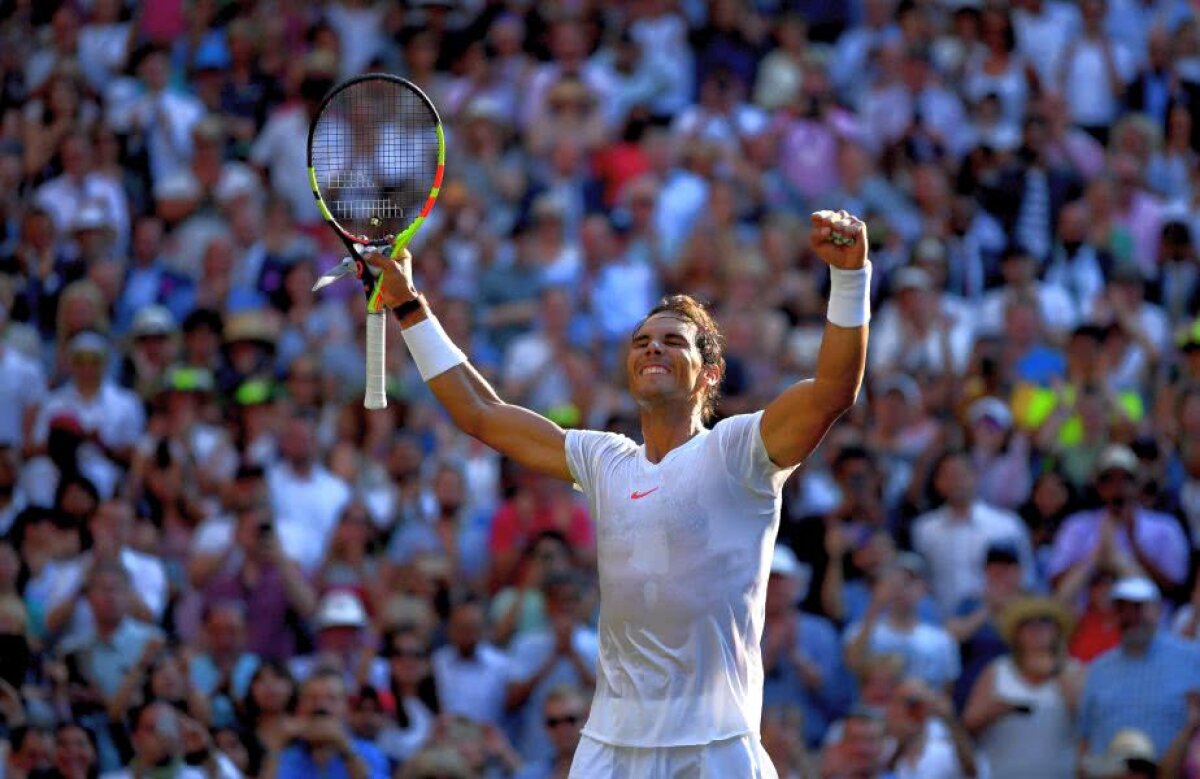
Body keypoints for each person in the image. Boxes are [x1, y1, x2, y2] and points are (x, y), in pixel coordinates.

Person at [364, 208, 871, 775]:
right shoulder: (605, 459)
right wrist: (411, 308)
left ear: (709, 374)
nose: (652, 349)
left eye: (672, 342)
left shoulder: (738, 450)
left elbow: (832, 392)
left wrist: (850, 278)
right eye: (641, 341)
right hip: (609, 748)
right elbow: (483, 414)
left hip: (716, 745)